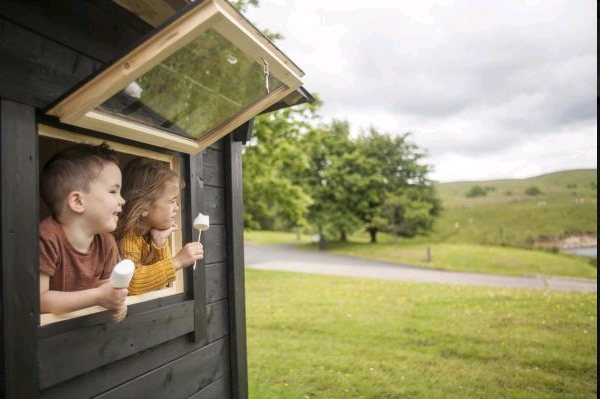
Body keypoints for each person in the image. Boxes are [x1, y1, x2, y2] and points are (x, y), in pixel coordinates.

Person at [39, 143, 128, 322]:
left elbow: (107, 288)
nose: (123, 200)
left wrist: (117, 301)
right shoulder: (46, 237)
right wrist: (97, 296)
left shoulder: (106, 242)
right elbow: (39, 300)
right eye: (113, 191)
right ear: (78, 201)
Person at [113, 158, 204, 295]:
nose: (176, 208)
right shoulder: (128, 236)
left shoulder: (149, 233)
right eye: (171, 201)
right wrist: (177, 261)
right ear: (144, 207)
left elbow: (162, 284)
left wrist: (159, 244)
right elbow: (131, 283)